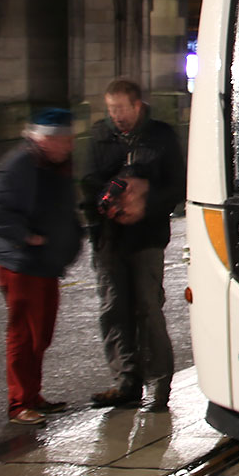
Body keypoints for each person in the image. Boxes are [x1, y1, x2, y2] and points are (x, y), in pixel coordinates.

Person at [81, 79, 186, 411]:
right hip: (109, 240)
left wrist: (145, 203)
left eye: (121, 109)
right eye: (111, 109)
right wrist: (107, 198)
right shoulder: (100, 136)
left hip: (147, 238)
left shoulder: (161, 136)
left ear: (137, 105)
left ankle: (159, 385)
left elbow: (177, 186)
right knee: (114, 310)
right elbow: (88, 183)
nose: (117, 116)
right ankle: (126, 381)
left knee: (147, 309)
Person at [0, 109, 83, 425]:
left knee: (41, 336)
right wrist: (27, 237)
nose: (70, 145)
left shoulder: (56, 164)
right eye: (65, 139)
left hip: (45, 265)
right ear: (47, 139)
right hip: (21, 266)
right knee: (24, 335)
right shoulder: (21, 164)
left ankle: (33, 396)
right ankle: (19, 403)